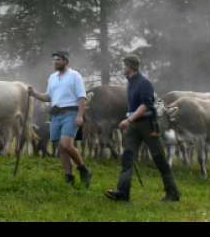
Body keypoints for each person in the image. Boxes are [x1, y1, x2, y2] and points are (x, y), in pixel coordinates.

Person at [105, 54, 181, 202]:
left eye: (125, 65)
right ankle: (122, 193)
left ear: (131, 66)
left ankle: (173, 193)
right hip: (134, 126)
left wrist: (128, 120)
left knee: (159, 159)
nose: (123, 68)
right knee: (127, 157)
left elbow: (145, 105)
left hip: (147, 125)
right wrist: (130, 120)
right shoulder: (131, 82)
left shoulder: (144, 83)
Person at [28, 50, 92, 187]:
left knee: (66, 144)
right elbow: (49, 97)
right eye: (54, 60)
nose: (55, 62)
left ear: (65, 61)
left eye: (58, 60)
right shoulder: (52, 77)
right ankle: (69, 176)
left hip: (71, 112)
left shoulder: (75, 76)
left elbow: (82, 97)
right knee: (61, 148)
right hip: (55, 114)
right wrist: (34, 94)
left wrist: (80, 115)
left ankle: (83, 169)